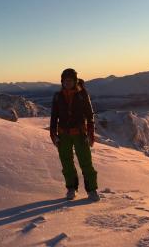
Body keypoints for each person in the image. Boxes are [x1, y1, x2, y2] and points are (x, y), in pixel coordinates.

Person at [49, 68, 100, 201]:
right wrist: (53, 133)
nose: (68, 83)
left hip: (80, 133)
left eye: (70, 80)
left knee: (85, 161)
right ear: (62, 81)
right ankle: (71, 189)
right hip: (63, 134)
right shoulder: (57, 96)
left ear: (75, 81)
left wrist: (91, 132)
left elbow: (90, 115)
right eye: (65, 81)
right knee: (66, 162)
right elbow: (54, 116)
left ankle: (92, 190)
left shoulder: (82, 95)